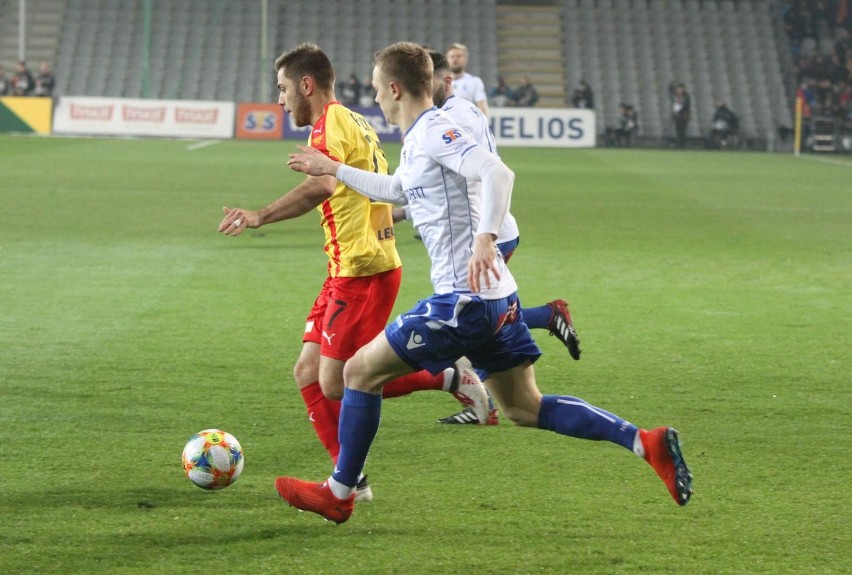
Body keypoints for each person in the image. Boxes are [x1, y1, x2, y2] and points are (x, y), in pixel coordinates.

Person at [278, 42, 694, 524]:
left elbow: (497, 171)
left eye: (376, 90)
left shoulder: (433, 131)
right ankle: (645, 442)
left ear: (395, 89)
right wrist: (334, 170)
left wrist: (485, 238)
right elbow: (396, 189)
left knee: (355, 374)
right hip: (498, 300)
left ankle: (341, 492)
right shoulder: (417, 138)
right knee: (523, 407)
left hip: (461, 301)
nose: (375, 99)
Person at [217, 43, 489, 502]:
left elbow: (322, 184)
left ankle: (447, 377)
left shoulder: (333, 123)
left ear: (307, 85)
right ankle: (349, 482)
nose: (280, 100)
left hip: (364, 270)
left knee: (338, 380)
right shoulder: (354, 121)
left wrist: (261, 214)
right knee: (307, 371)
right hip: (346, 267)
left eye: (283, 89)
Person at [394, 50, 581, 426]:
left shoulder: (449, 119)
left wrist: (479, 235)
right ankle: (492, 395)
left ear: (443, 82)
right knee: (483, 315)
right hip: (488, 228)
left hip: (487, 233)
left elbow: (471, 180)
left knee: (475, 314)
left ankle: (485, 401)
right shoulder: (452, 114)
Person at [446, 42, 489, 115]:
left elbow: (483, 108)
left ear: (466, 59)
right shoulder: (440, 81)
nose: (455, 59)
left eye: (459, 56)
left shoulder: (475, 81)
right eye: (452, 56)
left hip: (465, 125)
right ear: (447, 59)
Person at [670, 82, 691, 149]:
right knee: (678, 130)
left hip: (683, 115)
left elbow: (686, 106)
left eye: (680, 89)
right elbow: (670, 93)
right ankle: (679, 144)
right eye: (677, 89)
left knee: (683, 130)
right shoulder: (674, 96)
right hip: (677, 115)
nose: (678, 90)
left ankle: (682, 144)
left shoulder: (686, 96)